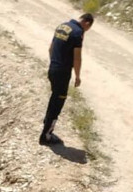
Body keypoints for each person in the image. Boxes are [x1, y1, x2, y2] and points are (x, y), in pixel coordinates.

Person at [40, 12, 94, 146]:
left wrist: (55, 64)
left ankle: (47, 123)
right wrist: (77, 76)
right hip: (63, 73)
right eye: (88, 29)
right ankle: (46, 136)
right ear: (87, 23)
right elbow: (77, 57)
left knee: (54, 97)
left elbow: (50, 49)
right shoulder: (77, 33)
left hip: (53, 68)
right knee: (58, 102)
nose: (86, 31)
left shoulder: (62, 26)